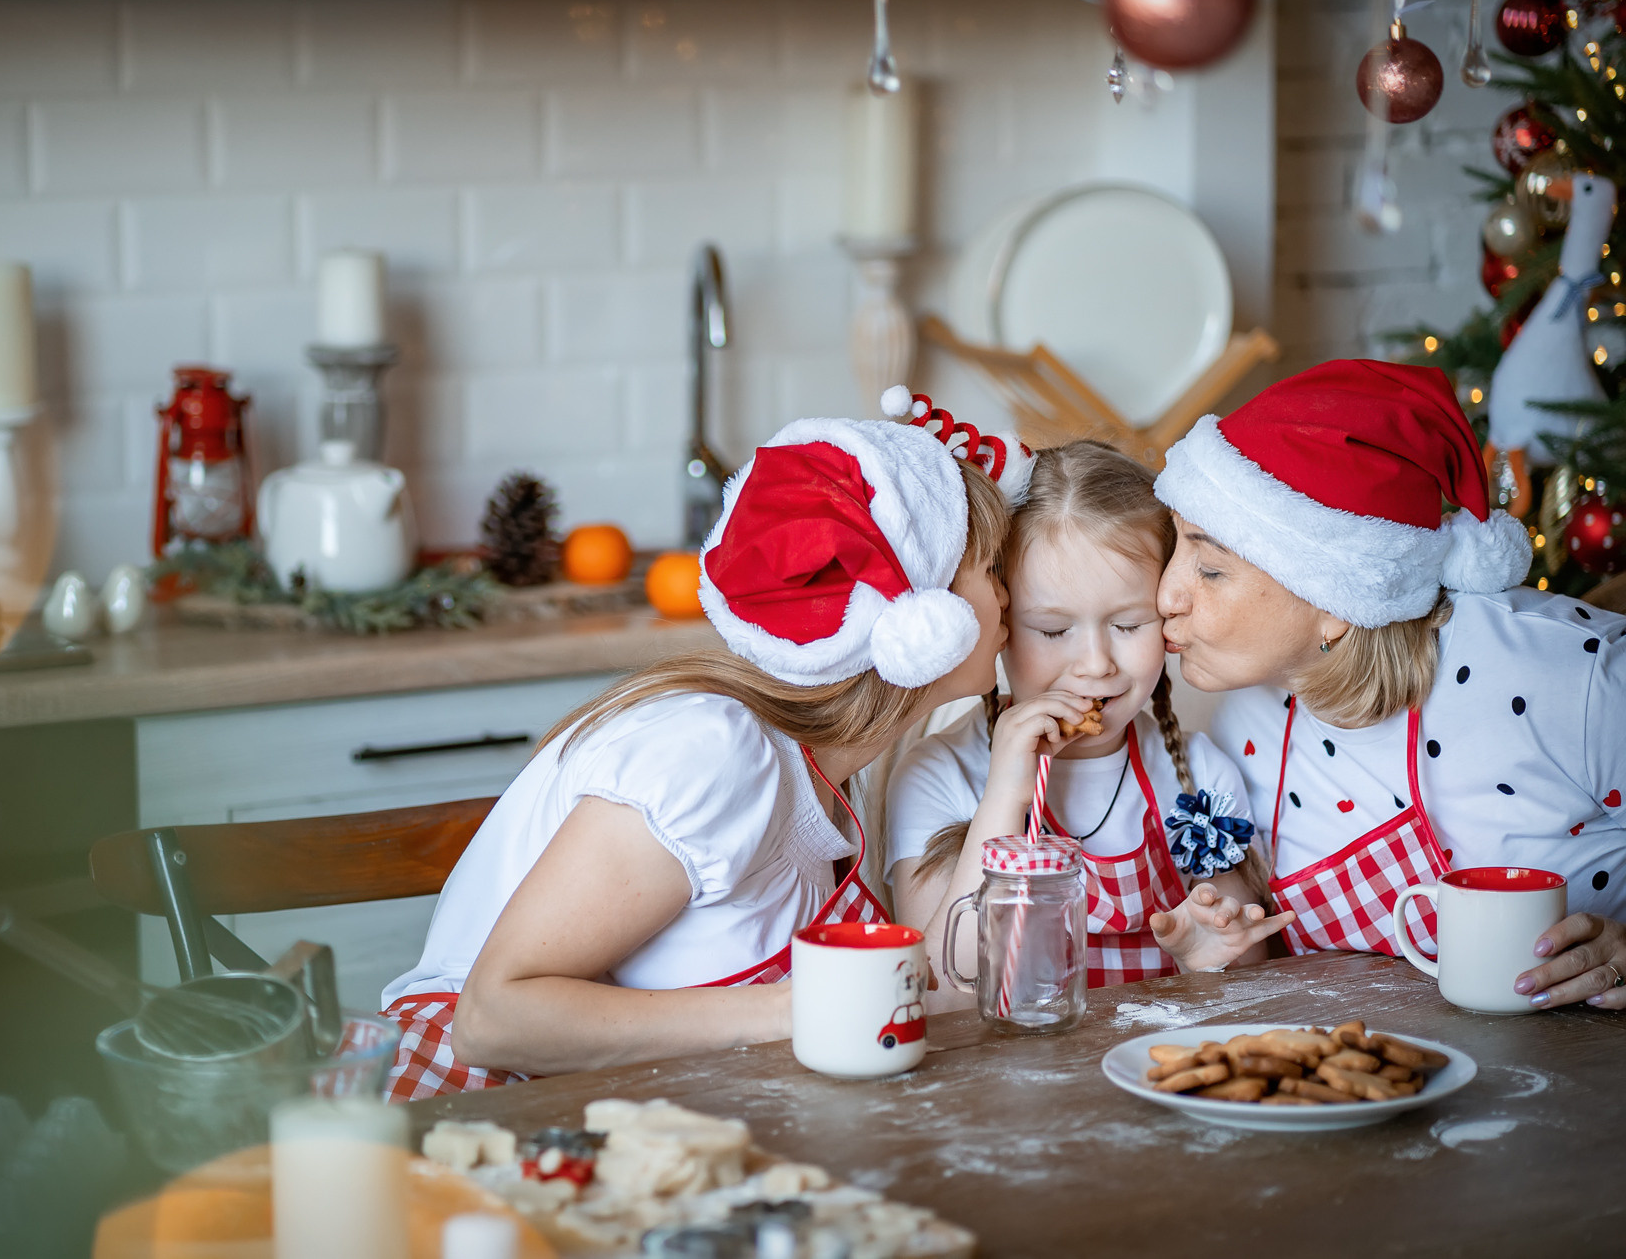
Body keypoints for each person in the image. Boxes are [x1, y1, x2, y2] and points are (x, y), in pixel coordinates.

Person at [378, 396, 1029, 1099]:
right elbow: (493, 1018)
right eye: (991, 567)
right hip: (482, 1106)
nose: (1010, 594)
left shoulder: (839, 772)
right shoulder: (713, 753)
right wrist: (791, 1011)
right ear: (921, 616)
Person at [1153, 358, 1626, 1011]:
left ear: (1336, 599)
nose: (1165, 594)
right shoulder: (1242, 716)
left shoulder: (1566, 678)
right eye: (1175, 545)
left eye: (1209, 568)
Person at [888, 440, 1291, 1005]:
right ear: (1000, 625)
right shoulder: (938, 774)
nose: (1097, 664)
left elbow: (1251, 973)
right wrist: (1006, 791)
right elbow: (936, 989)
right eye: (1053, 631)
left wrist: (1204, 961)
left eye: (1129, 624)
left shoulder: (1198, 778)